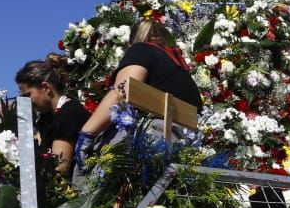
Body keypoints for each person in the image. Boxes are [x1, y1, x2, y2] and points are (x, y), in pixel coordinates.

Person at [75, 20, 202, 167]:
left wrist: (87, 134)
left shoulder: (141, 50)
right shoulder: (180, 67)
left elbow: (123, 91)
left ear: (132, 41)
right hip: (186, 147)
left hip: (150, 140)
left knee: (85, 175)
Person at [15, 55, 90, 165]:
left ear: (46, 87)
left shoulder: (69, 113)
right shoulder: (46, 119)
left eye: (27, 95)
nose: (26, 101)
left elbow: (59, 167)